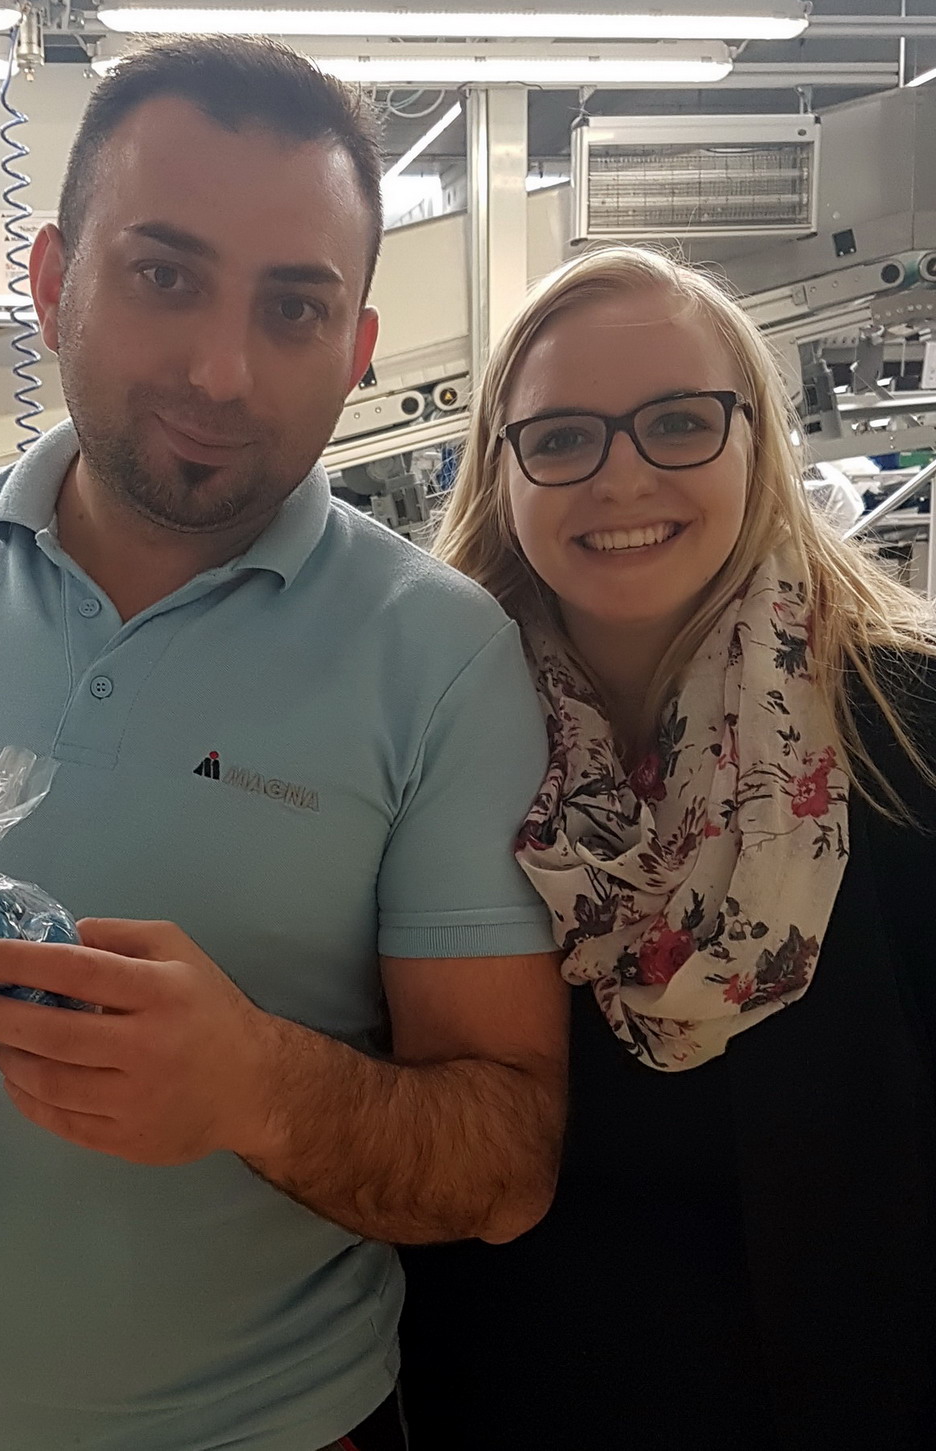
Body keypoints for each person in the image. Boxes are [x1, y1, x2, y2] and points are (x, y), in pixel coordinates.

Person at [0, 36, 568, 1451]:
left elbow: (505, 1165)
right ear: (53, 281)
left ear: (357, 348)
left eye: (294, 308)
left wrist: (258, 1087)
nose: (222, 371)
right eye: (164, 276)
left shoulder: (442, 657)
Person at [399, 245, 936, 1451]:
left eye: (679, 421)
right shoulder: (433, 747)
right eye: (561, 437)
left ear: (755, 442)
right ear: (501, 470)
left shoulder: (908, 726)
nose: (621, 475)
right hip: (496, 1406)